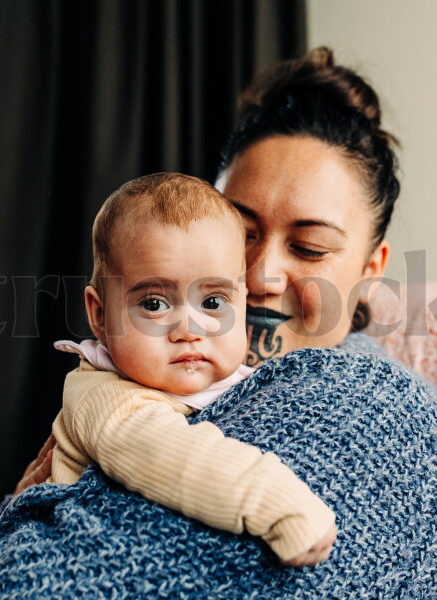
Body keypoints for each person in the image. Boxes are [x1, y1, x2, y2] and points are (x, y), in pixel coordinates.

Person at [0, 47, 437, 599]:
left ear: (370, 270)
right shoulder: (144, 382)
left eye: (310, 248)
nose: (261, 275)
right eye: (241, 236)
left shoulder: (371, 409)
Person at [47, 172, 336, 566]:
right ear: (100, 317)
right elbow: (169, 454)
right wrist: (277, 503)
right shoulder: (102, 395)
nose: (189, 330)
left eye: (214, 302)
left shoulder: (254, 376)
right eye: (153, 304)